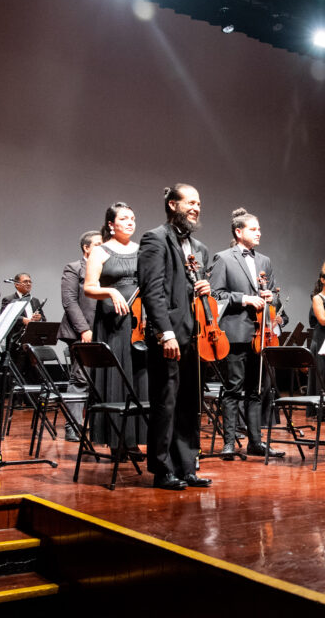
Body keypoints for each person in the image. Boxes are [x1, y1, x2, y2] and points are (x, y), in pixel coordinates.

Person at [137, 184, 213, 490]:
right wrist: (164, 332)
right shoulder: (155, 239)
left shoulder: (201, 249)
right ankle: (162, 469)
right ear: (172, 205)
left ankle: (187, 466)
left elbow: (193, 290)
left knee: (189, 403)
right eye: (190, 202)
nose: (196, 207)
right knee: (165, 403)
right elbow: (152, 290)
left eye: (199, 203)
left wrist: (206, 290)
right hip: (169, 336)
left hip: (197, 336)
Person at [207, 208, 286, 459]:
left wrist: (269, 296)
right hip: (236, 332)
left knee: (255, 390)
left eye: (259, 229)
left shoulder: (264, 261)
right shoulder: (223, 258)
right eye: (254, 229)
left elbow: (273, 293)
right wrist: (245, 299)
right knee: (233, 389)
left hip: (261, 333)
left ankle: (256, 442)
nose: (259, 232)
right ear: (239, 232)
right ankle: (229, 442)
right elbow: (215, 295)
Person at [83, 204, 148, 451]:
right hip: (112, 323)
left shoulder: (142, 251)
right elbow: (89, 288)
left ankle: (136, 438)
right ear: (111, 224)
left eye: (133, 218)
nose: (130, 222)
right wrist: (110, 291)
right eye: (124, 219)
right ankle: (117, 439)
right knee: (118, 375)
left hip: (138, 322)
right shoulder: (100, 252)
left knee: (139, 376)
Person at [56, 230, 103, 442]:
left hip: (102, 332)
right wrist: (84, 329)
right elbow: (69, 302)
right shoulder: (74, 268)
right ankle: (72, 426)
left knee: (99, 380)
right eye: (99, 245)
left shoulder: (105, 269)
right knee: (80, 379)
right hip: (80, 332)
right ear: (86, 248)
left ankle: (98, 426)